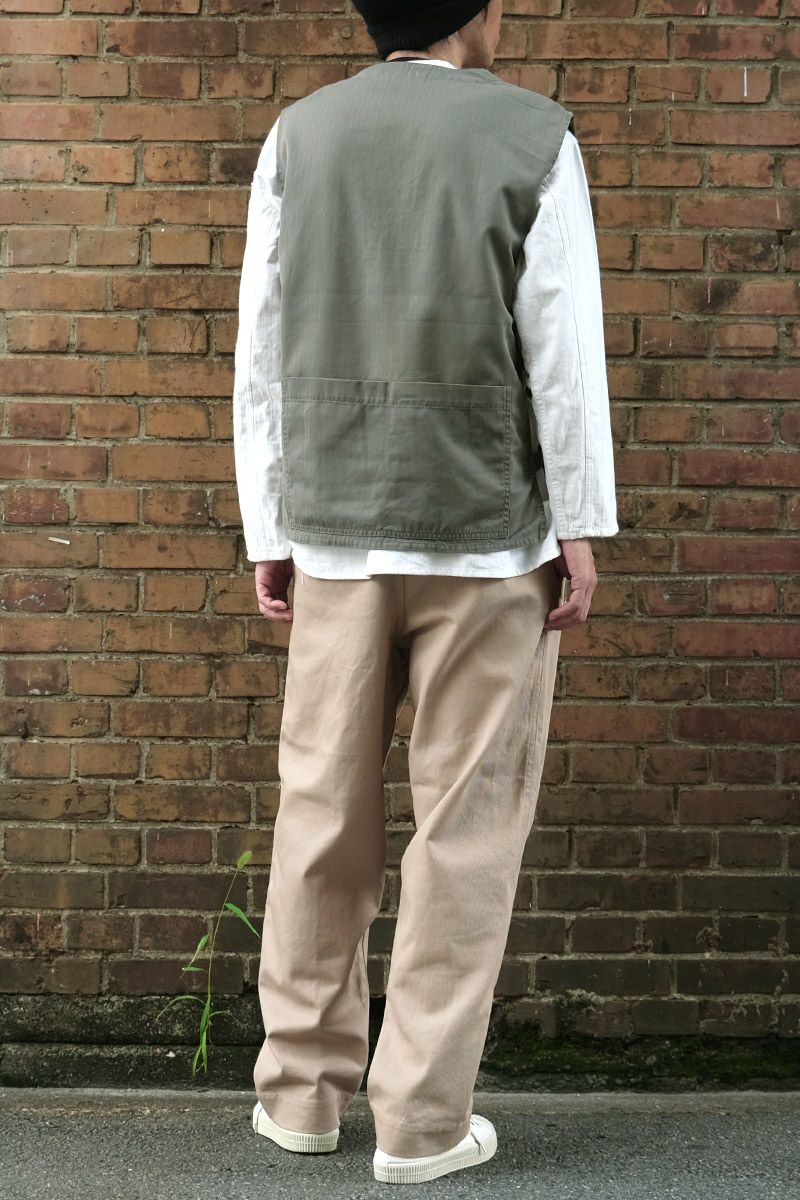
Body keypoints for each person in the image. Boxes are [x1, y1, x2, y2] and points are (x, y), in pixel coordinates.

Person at [232, 0, 618, 1184]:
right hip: (487, 539)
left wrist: (268, 524)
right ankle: (420, 1123)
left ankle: (299, 1095)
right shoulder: (534, 137)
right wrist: (579, 525)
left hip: (333, 531)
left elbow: (261, 344)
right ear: (472, 13)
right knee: (464, 834)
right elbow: (560, 350)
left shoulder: (299, 135)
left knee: (320, 816)